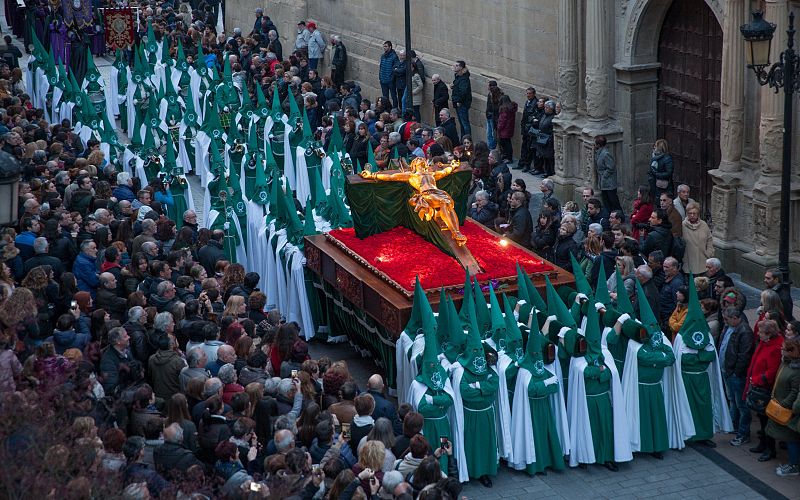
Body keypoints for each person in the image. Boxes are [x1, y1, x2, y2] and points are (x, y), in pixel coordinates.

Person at [745, 319, 784, 462]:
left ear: (769, 334)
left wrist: (757, 379)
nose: (758, 334)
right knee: (762, 419)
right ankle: (763, 444)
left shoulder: (775, 348)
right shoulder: (765, 343)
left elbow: (772, 372)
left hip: (765, 390)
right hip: (758, 387)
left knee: (767, 421)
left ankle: (770, 449)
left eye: (761, 332)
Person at [766, 336, 800, 477]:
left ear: (793, 352)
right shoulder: (786, 363)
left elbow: (795, 391)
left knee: (792, 439)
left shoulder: (796, 370)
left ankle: (794, 465)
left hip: (789, 410)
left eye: (785, 349)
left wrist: (785, 405)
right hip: (783, 406)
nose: (781, 349)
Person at [719, 306, 754, 447]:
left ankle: (743, 433)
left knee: (741, 405)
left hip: (735, 374)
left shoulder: (744, 331)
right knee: (733, 401)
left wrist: (735, 372)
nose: (725, 322)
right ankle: (734, 426)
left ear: (735, 318)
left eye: (727, 319)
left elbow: (744, 355)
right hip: (728, 371)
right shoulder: (730, 327)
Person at [682, 202, 713, 275]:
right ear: (687, 213)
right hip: (688, 262)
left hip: (702, 261)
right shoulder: (682, 225)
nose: (692, 215)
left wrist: (709, 253)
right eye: (690, 213)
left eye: (694, 213)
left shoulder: (704, 225)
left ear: (698, 214)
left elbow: (709, 239)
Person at [594, 136, 621, 211]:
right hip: (604, 181)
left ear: (598, 145)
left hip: (609, 182)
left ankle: (619, 214)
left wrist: (604, 176)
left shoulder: (606, 154)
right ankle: (609, 215)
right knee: (606, 201)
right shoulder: (599, 152)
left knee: (613, 200)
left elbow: (611, 167)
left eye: (595, 143)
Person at [450, 60, 472, 138]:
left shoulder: (464, 78)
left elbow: (463, 91)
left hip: (462, 103)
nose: (454, 67)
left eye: (456, 66)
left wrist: (458, 100)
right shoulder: (458, 76)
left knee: (465, 123)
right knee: (462, 123)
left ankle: (467, 140)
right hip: (458, 102)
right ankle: (463, 139)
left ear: (460, 67)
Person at [496, 95, 517, 163]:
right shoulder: (511, 108)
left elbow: (502, 121)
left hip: (504, 130)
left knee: (506, 144)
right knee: (508, 143)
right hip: (509, 129)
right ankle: (508, 157)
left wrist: (498, 128)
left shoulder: (504, 109)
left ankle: (508, 158)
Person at [379, 41, 399, 108]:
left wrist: (392, 78)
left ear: (390, 47)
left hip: (390, 81)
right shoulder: (382, 56)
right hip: (383, 80)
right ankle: (386, 109)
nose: (384, 48)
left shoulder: (394, 57)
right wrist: (380, 77)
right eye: (384, 46)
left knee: (394, 96)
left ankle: (395, 109)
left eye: (386, 46)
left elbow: (396, 68)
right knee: (385, 97)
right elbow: (381, 67)